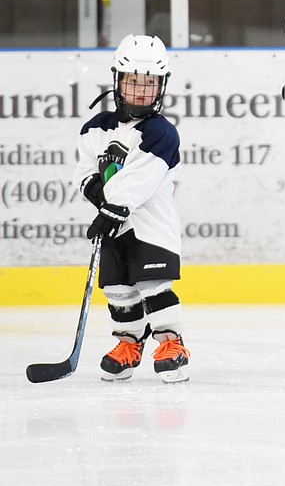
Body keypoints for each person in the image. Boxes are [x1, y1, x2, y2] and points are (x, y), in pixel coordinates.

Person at [73, 34, 188, 383]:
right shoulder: (95, 128)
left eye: (149, 82)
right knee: (119, 292)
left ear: (162, 85)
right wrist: (97, 196)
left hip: (151, 227)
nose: (140, 89)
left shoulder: (160, 133)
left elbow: (141, 177)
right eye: (133, 80)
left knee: (153, 284)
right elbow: (84, 170)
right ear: (117, 80)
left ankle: (172, 344)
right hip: (115, 227)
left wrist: (114, 208)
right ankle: (128, 344)